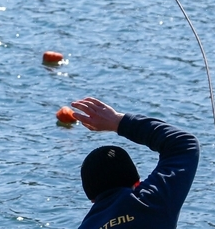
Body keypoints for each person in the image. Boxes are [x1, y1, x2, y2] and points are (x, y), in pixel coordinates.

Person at [70, 97, 200, 229]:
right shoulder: (152, 201)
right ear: (137, 183)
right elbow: (183, 144)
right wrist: (117, 121)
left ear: (92, 199)